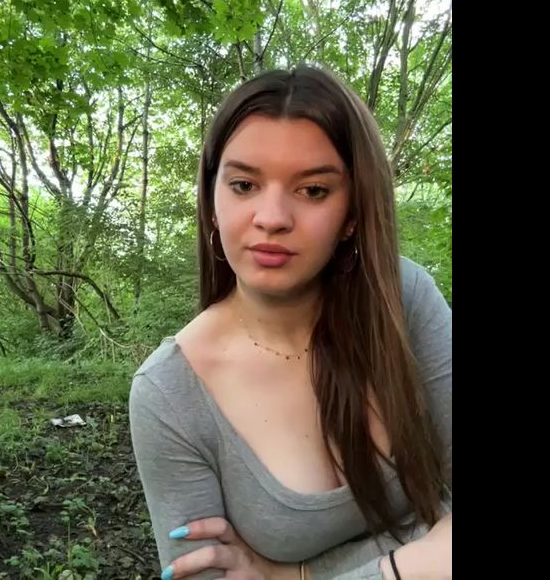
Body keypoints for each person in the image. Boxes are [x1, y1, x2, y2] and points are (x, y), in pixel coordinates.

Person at [129, 66, 451, 580]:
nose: (272, 217)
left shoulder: (401, 299)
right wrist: (421, 560)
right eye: (244, 185)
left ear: (352, 214)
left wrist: (292, 574)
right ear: (212, 204)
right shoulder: (169, 394)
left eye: (314, 190)